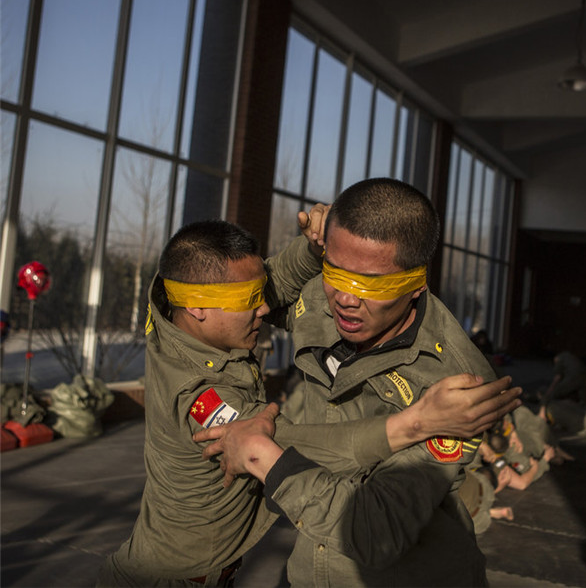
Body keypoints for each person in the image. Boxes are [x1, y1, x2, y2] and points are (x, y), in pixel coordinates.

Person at [98, 213, 519, 587]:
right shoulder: (200, 397)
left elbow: (274, 283)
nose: (265, 308)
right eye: (248, 301)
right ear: (197, 306)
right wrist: (414, 424)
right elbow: (282, 445)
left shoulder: (172, 302)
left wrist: (314, 246)